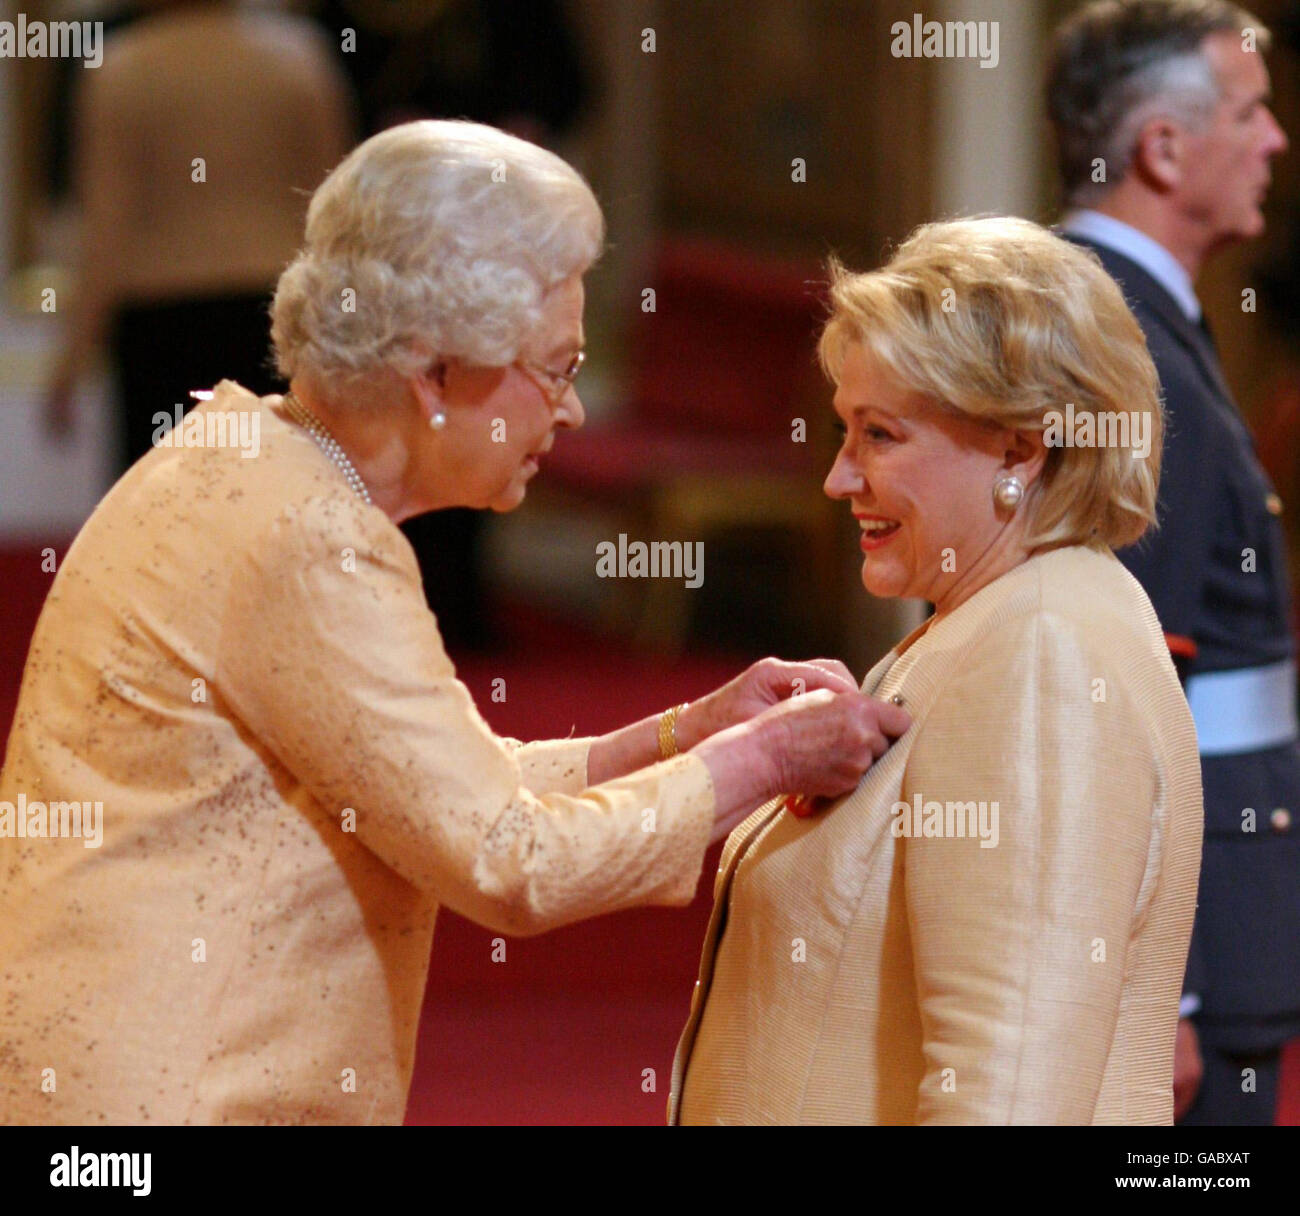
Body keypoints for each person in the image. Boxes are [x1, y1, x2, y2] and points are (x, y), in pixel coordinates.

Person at [0, 120, 909, 1126]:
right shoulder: (309, 539)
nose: (566, 412)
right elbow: (507, 859)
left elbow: (436, 785)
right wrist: (768, 762)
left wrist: (687, 734)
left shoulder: (241, 454)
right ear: (435, 373)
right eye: (556, 367)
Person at [669, 217, 1203, 1125]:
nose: (839, 478)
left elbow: (1008, 1094)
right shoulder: (996, 617)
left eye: (880, 435)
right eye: (847, 430)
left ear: (1021, 449)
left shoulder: (1046, 654)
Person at [1047, 0, 1295, 1124]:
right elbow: (1120, 688)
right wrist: (1167, 985)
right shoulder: (1124, 347)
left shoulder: (1114, 315)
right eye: (1249, 110)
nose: (1276, 139)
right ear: (1160, 146)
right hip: (1194, 939)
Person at [45, 0, 356, 473]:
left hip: (160, 323)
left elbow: (107, 230)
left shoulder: (121, 68)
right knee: (275, 498)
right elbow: (333, 216)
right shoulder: (298, 58)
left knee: (165, 511)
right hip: (272, 311)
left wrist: (73, 354)